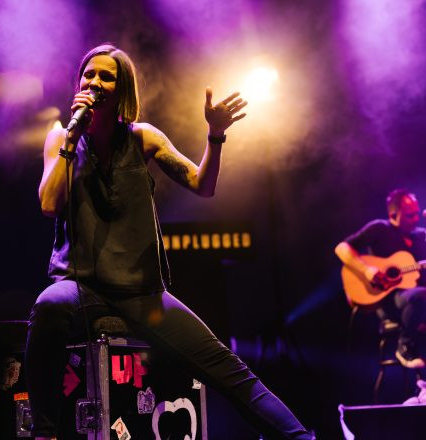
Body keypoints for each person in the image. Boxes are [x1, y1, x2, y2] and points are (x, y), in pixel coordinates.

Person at [25, 43, 314, 440]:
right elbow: (48, 203)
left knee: (227, 367)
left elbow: (203, 185)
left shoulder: (143, 138)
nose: (94, 82)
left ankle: (300, 437)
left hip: (142, 293)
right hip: (80, 287)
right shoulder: (61, 138)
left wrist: (215, 136)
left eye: (106, 76)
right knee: (48, 305)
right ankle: (44, 433)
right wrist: (72, 137)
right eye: (88, 75)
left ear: (122, 89)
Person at [335, 188, 426, 369]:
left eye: (417, 214)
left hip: (416, 301)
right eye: (410, 215)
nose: (416, 219)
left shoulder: (421, 236)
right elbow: (342, 248)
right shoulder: (380, 229)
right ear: (393, 214)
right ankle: (405, 345)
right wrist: (366, 270)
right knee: (420, 296)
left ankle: (421, 388)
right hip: (387, 300)